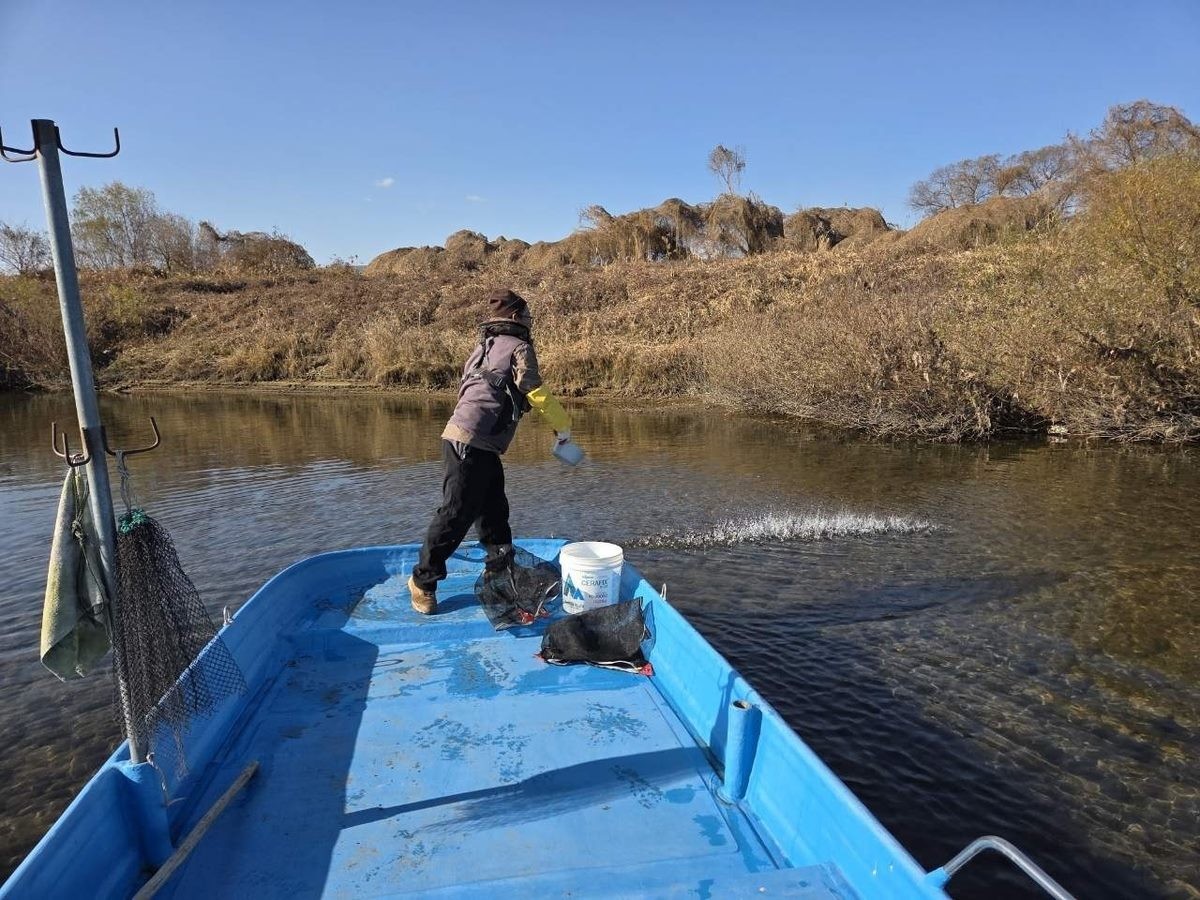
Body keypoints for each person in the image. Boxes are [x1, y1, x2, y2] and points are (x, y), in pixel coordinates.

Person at [408, 288, 572, 614]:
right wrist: (562, 425)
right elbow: (533, 388)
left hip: (472, 441)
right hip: (469, 442)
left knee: (494, 510)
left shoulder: (485, 345)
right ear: (516, 317)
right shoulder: (520, 347)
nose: (530, 321)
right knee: (456, 512)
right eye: (527, 315)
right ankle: (422, 580)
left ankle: (499, 572)